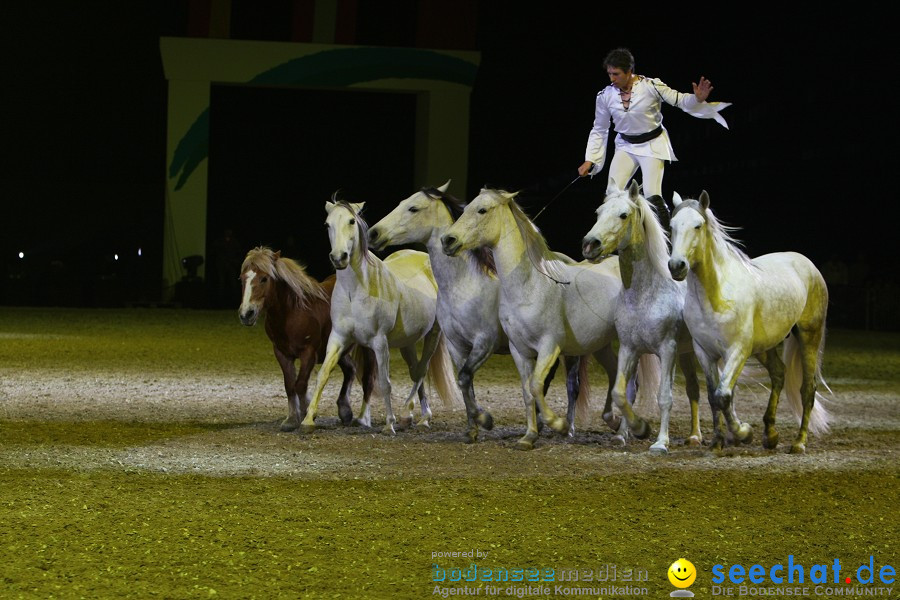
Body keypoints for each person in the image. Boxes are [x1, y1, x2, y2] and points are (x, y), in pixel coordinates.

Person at [577, 48, 731, 227]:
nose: (612, 79)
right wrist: (590, 159)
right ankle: (607, 243)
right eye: (609, 74)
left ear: (629, 71)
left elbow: (679, 100)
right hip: (625, 146)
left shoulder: (651, 86)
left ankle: (665, 241)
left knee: (652, 196)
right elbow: (600, 128)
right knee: (611, 195)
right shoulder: (604, 96)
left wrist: (696, 99)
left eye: (616, 74)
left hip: (652, 145)